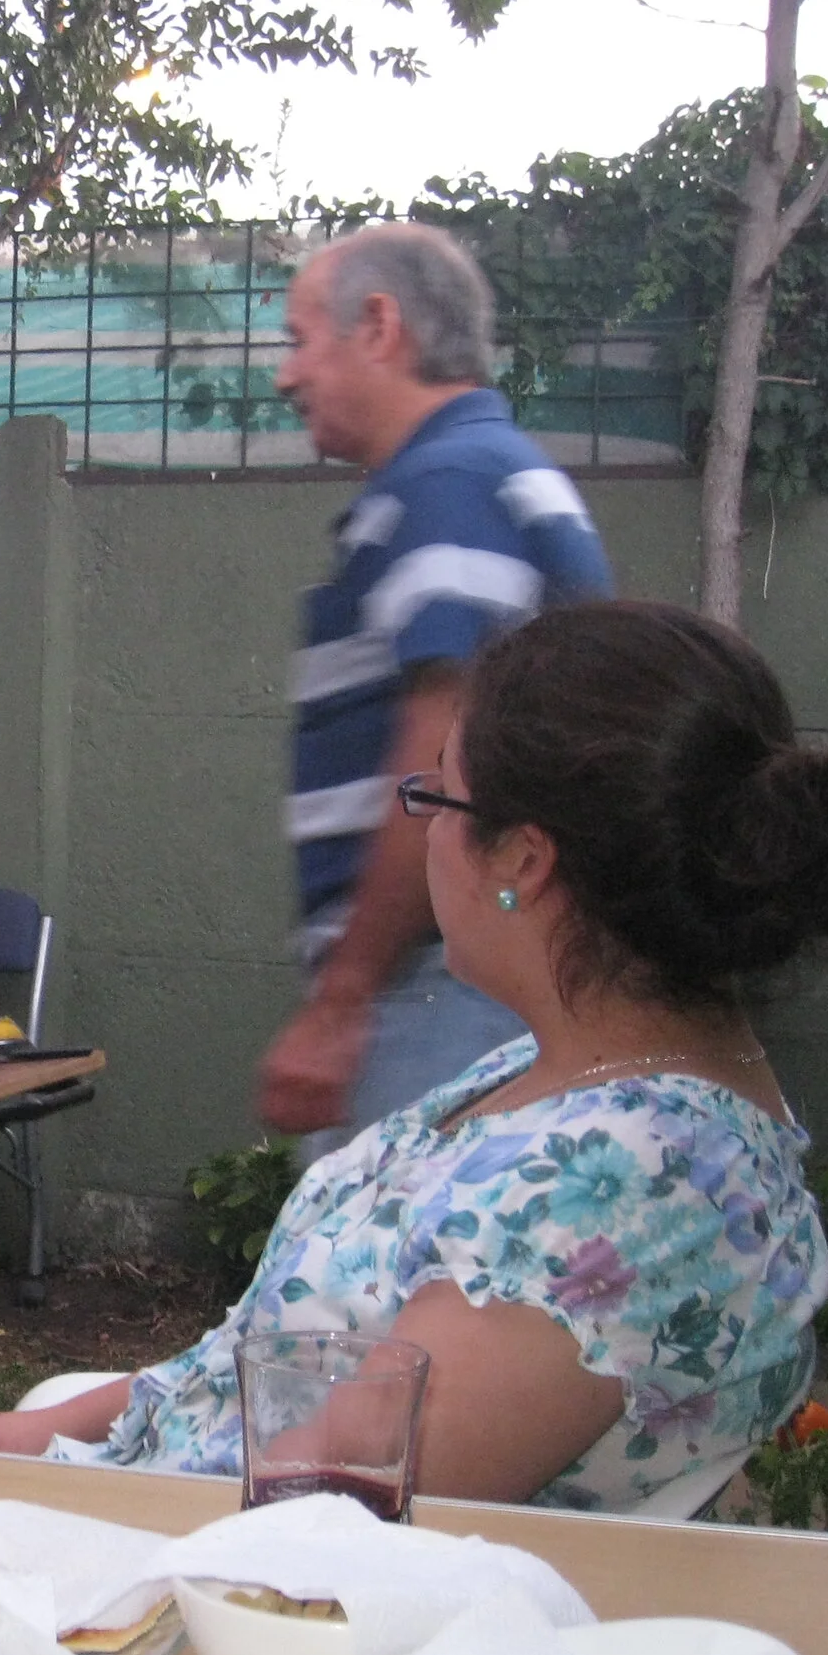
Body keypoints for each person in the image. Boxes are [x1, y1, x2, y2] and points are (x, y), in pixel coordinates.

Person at [0, 602, 828, 1508]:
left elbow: (319, 1534)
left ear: (523, 861)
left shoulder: (625, 1195)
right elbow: (275, 1354)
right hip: (158, 1513)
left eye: (433, 798)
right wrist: (46, 1431)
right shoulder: (563, 1081)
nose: (418, 832)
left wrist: (37, 1514)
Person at [258, 222, 614, 1148]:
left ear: (379, 325)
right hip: (464, 982)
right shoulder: (477, 475)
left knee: (397, 1290)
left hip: (448, 990)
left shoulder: (452, 482)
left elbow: (445, 752)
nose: (284, 376)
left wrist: (341, 1002)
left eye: (299, 340)